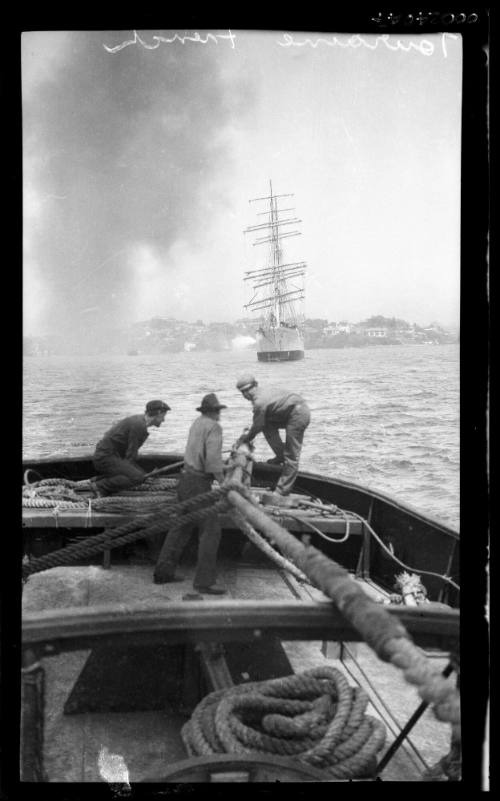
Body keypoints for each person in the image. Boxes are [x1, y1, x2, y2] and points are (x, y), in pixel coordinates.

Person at [153, 393, 227, 595]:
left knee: (180, 527)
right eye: (218, 411)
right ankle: (204, 582)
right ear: (214, 411)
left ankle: (163, 573)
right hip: (198, 484)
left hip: (184, 480)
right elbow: (212, 461)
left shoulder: (197, 423)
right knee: (211, 531)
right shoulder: (214, 427)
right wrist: (225, 483)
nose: (220, 414)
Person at [236, 374, 311, 496]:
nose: (246, 394)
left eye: (248, 390)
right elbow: (260, 424)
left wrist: (246, 439)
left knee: (291, 456)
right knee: (267, 426)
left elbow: (256, 426)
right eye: (243, 392)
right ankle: (280, 455)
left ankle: (282, 490)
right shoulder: (261, 396)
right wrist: (249, 435)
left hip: (298, 414)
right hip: (287, 412)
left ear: (255, 385)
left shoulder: (260, 401)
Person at [93, 400, 170, 496]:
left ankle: (101, 482)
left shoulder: (138, 420)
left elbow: (128, 456)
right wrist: (142, 476)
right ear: (158, 413)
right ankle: (100, 486)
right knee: (137, 478)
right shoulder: (139, 426)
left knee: (140, 475)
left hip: (108, 456)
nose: (163, 420)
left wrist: (142, 474)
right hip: (105, 458)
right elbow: (131, 456)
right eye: (163, 416)